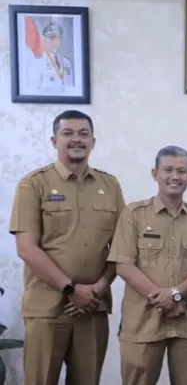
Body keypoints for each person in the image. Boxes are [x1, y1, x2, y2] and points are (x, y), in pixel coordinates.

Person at [8, 110, 125, 385]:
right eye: (68, 133)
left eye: (83, 134)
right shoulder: (33, 184)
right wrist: (71, 289)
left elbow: (123, 246)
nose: (76, 139)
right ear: (54, 140)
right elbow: (26, 248)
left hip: (92, 308)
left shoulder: (110, 185)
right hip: (47, 308)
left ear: (93, 141)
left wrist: (96, 289)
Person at [108, 145, 187, 385]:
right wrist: (164, 300)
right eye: (168, 170)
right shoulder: (134, 214)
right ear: (155, 174)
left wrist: (175, 295)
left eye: (182, 171)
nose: (174, 176)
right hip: (143, 321)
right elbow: (123, 265)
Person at [27, 22, 74, 90]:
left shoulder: (66, 62)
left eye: (57, 38)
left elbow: (70, 86)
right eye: (51, 38)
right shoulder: (37, 62)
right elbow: (33, 90)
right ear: (44, 40)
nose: (54, 42)